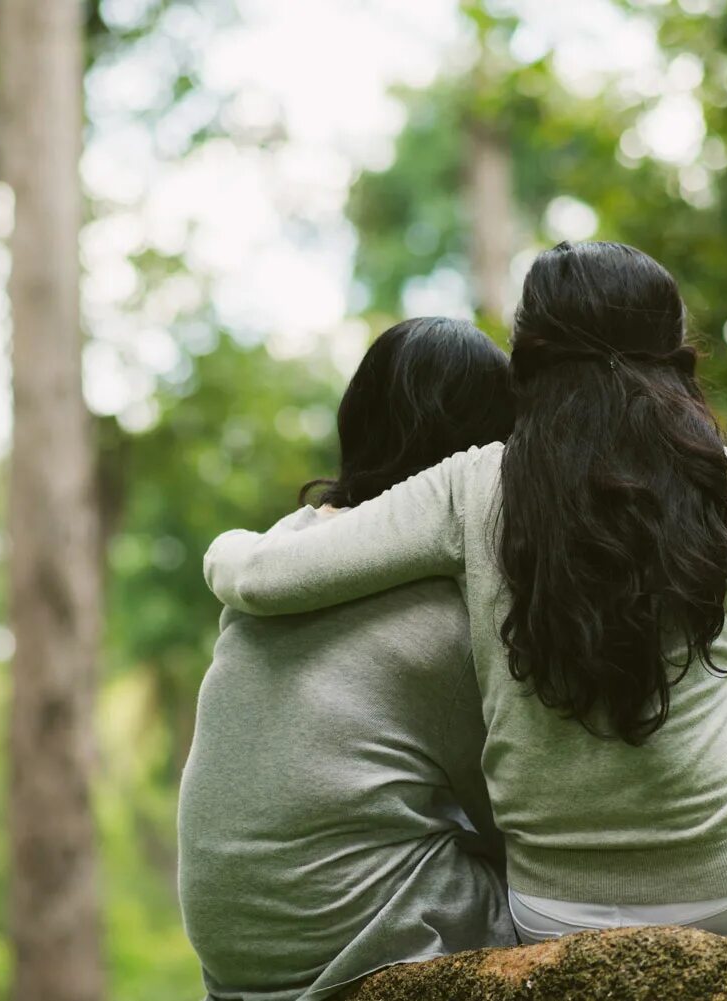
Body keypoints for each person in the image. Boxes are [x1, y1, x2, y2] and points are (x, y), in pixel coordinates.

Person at [203, 242, 727, 989]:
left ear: (528, 363)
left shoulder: (474, 486)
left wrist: (227, 548)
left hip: (550, 904)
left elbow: (263, 575)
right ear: (674, 357)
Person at [177, 317, 520, 1001]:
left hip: (234, 960)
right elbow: (510, 812)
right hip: (358, 949)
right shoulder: (438, 611)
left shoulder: (286, 544)